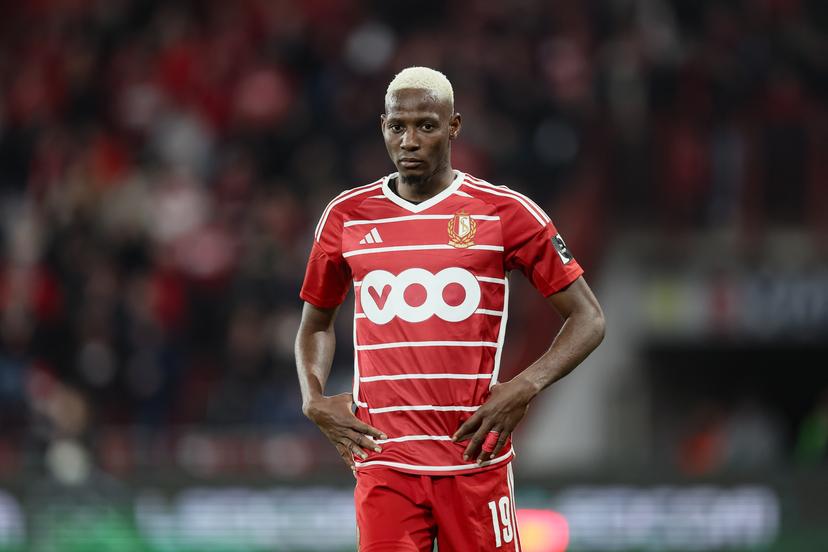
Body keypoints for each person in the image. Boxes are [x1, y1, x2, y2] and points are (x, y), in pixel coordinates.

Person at [295, 66, 605, 551]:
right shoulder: (345, 216)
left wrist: (525, 386)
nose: (410, 140)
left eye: (426, 125)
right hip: (385, 463)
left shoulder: (505, 212)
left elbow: (588, 318)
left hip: (473, 459)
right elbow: (316, 324)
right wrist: (313, 397)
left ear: (454, 126)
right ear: (383, 127)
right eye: (398, 126)